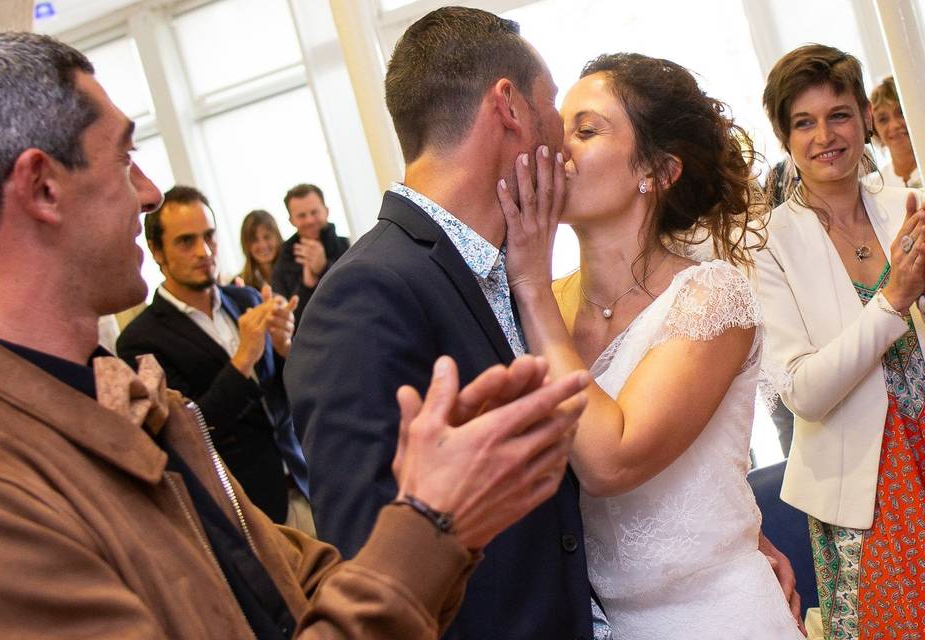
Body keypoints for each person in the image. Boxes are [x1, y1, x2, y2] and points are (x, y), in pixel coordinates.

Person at [0, 28, 592, 639]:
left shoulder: (128, 403)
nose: (151, 193)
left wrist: (449, 514)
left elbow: (299, 590)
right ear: (43, 186)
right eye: (125, 157)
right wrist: (432, 521)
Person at [287, 7, 595, 639]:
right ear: (508, 106)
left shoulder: (510, 264)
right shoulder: (367, 293)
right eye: (554, 103)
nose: (562, 133)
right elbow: (376, 567)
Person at [495, 52, 804, 639]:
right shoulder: (547, 305)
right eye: (559, 130)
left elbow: (613, 459)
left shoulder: (712, 296)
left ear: (658, 171)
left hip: (722, 618)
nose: (559, 149)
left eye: (586, 131)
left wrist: (528, 284)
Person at [757, 43, 925, 638]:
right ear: (784, 135)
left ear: (865, 121)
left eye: (840, 115)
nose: (825, 135)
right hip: (864, 483)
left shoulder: (902, 205)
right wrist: (894, 298)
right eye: (804, 121)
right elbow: (802, 390)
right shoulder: (769, 242)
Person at [117, 186, 310, 528]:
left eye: (209, 237)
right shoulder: (139, 341)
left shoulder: (247, 299)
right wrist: (243, 358)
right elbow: (186, 433)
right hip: (242, 508)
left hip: (303, 479)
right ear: (157, 251)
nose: (204, 251)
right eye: (186, 241)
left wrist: (285, 351)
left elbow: (284, 399)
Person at [270, 183, 349, 327]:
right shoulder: (282, 263)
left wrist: (324, 268)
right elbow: (290, 324)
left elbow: (357, 294)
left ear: (326, 211)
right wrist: (307, 285)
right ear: (291, 220)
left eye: (314, 212)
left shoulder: (348, 247)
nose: (309, 220)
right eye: (301, 215)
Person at [868, 76, 921, 189]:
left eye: (901, 112)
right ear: (875, 130)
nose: (894, 125)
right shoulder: (872, 187)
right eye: (883, 119)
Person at [238, 208, 284, 290]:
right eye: (254, 240)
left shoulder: (296, 269)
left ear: (277, 237)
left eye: (267, 237)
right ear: (246, 245)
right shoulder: (241, 285)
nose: (263, 245)